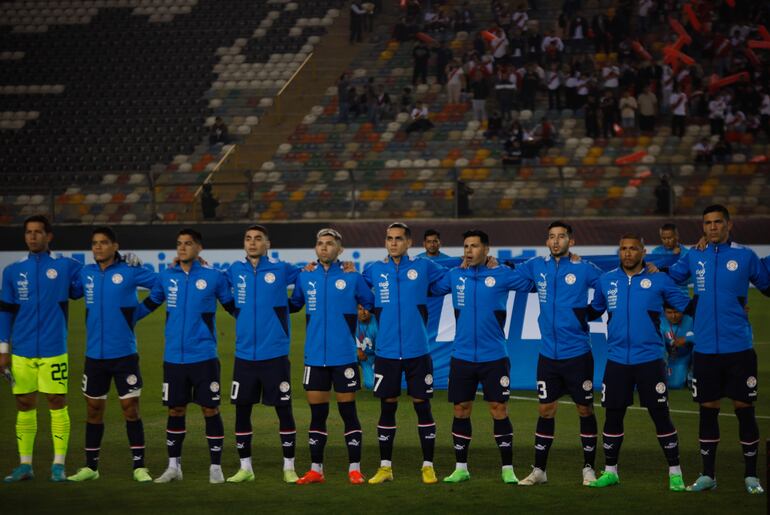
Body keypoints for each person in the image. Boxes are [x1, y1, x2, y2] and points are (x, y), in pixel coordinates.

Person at [665, 205, 770, 494]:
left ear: (728, 225)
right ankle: (707, 476)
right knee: (708, 411)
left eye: (717, 222)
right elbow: (669, 278)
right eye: (708, 223)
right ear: (703, 226)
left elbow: (767, 284)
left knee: (744, 410)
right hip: (707, 349)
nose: (712, 227)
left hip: (739, 348)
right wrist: (689, 304)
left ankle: (751, 477)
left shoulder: (745, 256)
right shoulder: (694, 255)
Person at [587, 234, 691, 491]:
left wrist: (725, 305)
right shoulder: (606, 280)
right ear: (619, 251)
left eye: (633, 249)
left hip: (650, 360)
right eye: (623, 248)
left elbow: (689, 306)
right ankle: (611, 471)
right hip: (617, 360)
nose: (628, 253)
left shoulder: (660, 280)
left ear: (643, 252)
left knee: (660, 415)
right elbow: (593, 311)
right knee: (613, 415)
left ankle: (675, 473)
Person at [430, 230, 530, 484]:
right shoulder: (455, 275)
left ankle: (507, 468)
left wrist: (508, 264)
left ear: (486, 249)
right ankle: (461, 467)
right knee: (461, 410)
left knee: (499, 409)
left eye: (474, 246)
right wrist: (454, 266)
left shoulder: (501, 274)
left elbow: (530, 281)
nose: (468, 251)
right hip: (462, 356)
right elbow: (431, 286)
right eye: (465, 246)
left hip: (494, 356)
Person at [137, 229, 235, 484]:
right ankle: (173, 467)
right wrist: (124, 319)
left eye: (188, 244)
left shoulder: (214, 277)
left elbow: (232, 306)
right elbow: (150, 303)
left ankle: (215, 468)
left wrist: (256, 323)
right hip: (174, 358)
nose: (182, 248)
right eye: (179, 243)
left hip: (203, 355)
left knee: (210, 409)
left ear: (199, 248)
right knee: (175, 410)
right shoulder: (167, 277)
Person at [509, 221, 602, 486]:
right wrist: (493, 264)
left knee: (584, 409)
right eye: (551, 237)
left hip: (578, 353)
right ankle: (539, 470)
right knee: (546, 410)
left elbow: (609, 285)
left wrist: (590, 313)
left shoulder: (584, 268)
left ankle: (588, 469)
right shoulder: (537, 265)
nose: (556, 241)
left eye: (561, 237)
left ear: (571, 241)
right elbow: (512, 273)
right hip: (548, 354)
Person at [66, 227, 158, 483]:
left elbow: (161, 285)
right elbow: (72, 292)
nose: (98, 247)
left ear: (115, 246)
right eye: (94, 243)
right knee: (94, 409)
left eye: (104, 243)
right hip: (94, 355)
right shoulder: (87, 274)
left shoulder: (130, 271)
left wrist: (138, 312)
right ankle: (90, 467)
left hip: (124, 354)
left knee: (131, 409)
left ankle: (139, 466)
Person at [363, 222, 449, 485]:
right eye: (389, 238)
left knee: (422, 407)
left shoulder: (424, 267)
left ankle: (428, 466)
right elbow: (355, 287)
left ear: (409, 242)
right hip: (386, 353)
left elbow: (454, 277)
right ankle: (385, 467)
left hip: (417, 351)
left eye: (399, 239)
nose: (393, 243)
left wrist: (476, 264)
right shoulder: (374, 270)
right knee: (386, 408)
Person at [289, 229, 374, 485]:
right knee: (317, 416)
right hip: (314, 357)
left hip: (344, 357)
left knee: (349, 413)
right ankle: (316, 469)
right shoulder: (305, 277)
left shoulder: (352, 277)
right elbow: (294, 304)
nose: (324, 247)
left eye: (329, 244)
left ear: (340, 249)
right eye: (320, 243)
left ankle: (355, 469)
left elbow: (370, 303)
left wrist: (364, 315)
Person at [1, 215, 82, 483]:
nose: (33, 236)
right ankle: (25, 465)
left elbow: (89, 284)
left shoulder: (66, 266)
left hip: (53, 347)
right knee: (24, 404)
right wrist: (3, 348)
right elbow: (5, 312)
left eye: (38, 232)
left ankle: (58, 465)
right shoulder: (12, 271)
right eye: (28, 232)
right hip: (22, 349)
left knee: (57, 403)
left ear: (49, 236)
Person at [221, 225, 302, 484]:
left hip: (275, 353)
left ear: (268, 244)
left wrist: (280, 313)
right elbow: (219, 289)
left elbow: (307, 282)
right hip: (244, 355)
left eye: (258, 239)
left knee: (283, 410)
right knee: (242, 411)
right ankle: (246, 468)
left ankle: (289, 467)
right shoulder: (234, 270)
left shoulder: (282, 269)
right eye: (248, 239)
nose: (252, 243)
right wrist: (240, 315)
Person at [661, 306, 694, 389]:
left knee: (699, 348)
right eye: (669, 312)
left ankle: (692, 374)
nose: (673, 316)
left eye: (676, 312)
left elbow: (704, 336)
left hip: (688, 355)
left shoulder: (692, 320)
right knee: (675, 385)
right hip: (672, 357)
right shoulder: (660, 322)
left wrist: (687, 339)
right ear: (664, 312)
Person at [356, 305, 377, 390]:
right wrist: (358, 350)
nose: (363, 312)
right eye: (360, 309)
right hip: (354, 354)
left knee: (371, 385)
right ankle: (352, 382)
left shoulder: (376, 322)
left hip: (371, 356)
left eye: (366, 309)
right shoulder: (351, 320)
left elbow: (381, 348)